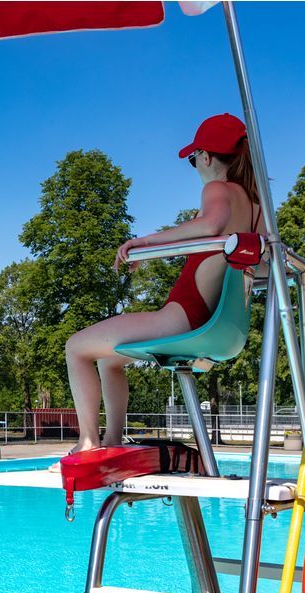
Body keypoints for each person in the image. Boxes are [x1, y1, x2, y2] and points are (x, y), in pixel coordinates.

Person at [62, 113, 266, 458]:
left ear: (205, 157)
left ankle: (88, 442)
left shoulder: (218, 188)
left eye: (193, 159)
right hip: (216, 325)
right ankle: (112, 440)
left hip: (181, 317)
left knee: (76, 347)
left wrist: (145, 242)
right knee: (109, 360)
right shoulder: (257, 209)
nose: (196, 166)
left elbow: (210, 224)